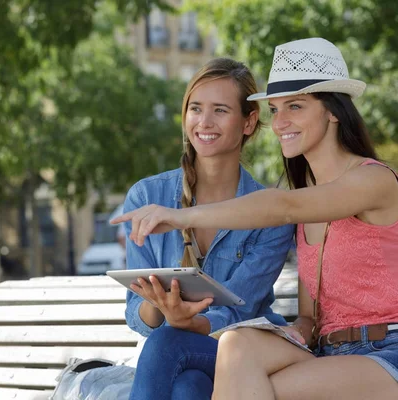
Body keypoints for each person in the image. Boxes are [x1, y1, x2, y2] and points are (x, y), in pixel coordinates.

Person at [114, 38, 398, 400]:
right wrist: (294, 332)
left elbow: (282, 206)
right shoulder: (308, 209)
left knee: (243, 387)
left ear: (333, 110)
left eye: (296, 106)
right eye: (275, 109)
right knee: (233, 348)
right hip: (326, 355)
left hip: (395, 354)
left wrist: (180, 216)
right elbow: (309, 319)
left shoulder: (373, 180)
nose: (281, 122)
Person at [120, 58, 294, 400]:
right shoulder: (146, 196)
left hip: (238, 350)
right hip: (182, 363)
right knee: (189, 388)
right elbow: (135, 313)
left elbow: (239, 309)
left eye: (220, 110)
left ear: (249, 122)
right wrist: (158, 303)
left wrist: (187, 322)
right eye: (196, 108)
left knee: (167, 342)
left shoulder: (269, 211)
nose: (204, 122)